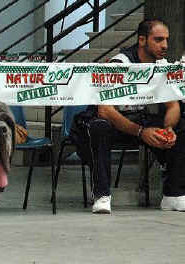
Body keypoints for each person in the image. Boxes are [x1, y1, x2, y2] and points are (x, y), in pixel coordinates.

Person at [71, 19, 185, 214]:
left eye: (166, 40)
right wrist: (141, 132)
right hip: (106, 122)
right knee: (100, 126)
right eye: (158, 40)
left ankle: (173, 195)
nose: (165, 45)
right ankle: (101, 194)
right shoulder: (119, 63)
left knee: (182, 124)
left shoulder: (161, 65)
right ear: (142, 40)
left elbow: (173, 105)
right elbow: (105, 110)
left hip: (136, 120)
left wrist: (167, 130)